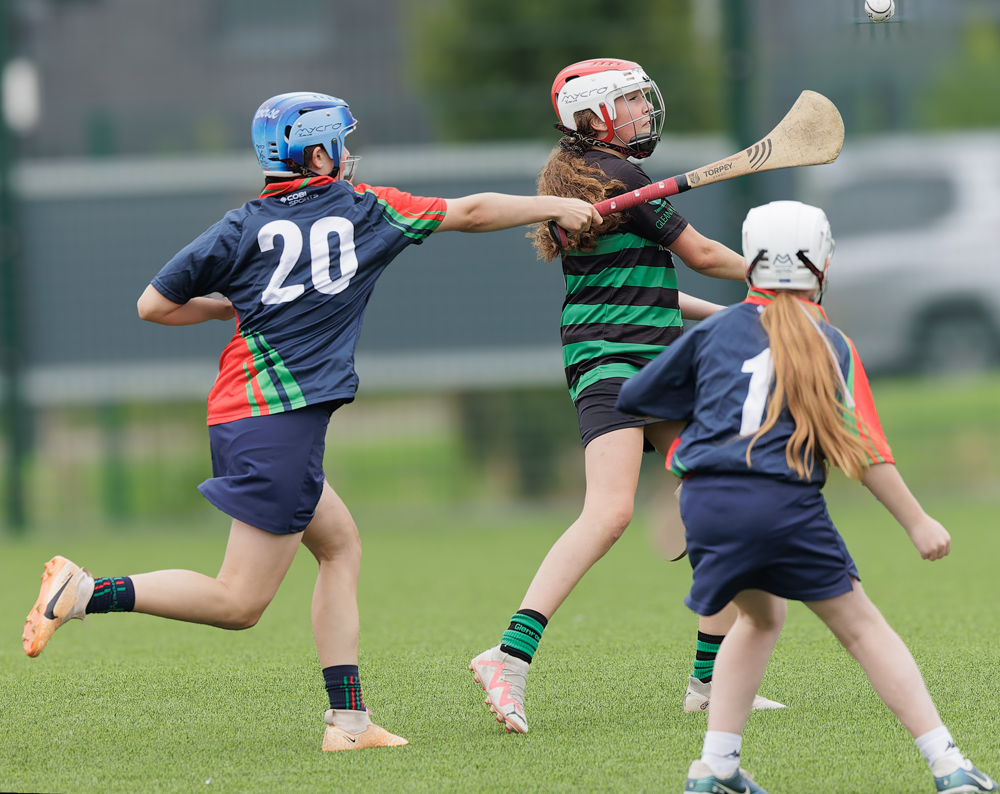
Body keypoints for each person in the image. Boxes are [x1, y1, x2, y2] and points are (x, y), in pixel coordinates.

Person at [22, 91, 599, 752]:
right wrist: (556, 206)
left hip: (242, 414)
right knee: (239, 602)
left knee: (340, 546)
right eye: (340, 144)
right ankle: (86, 592)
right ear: (318, 154)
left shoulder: (240, 225)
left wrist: (223, 308)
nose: (348, 155)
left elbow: (152, 305)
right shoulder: (364, 207)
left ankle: (349, 723)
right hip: (281, 425)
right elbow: (470, 212)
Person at [616, 200, 997, 794]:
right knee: (862, 628)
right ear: (822, 263)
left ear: (750, 263)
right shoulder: (829, 341)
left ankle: (715, 768)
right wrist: (918, 521)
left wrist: (697, 443)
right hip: (779, 503)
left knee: (759, 617)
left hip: (706, 505)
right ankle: (949, 765)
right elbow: (865, 451)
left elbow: (635, 396)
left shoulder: (714, 331)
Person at [469, 58, 783, 735]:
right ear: (594, 117)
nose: (644, 112)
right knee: (609, 512)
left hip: (652, 360)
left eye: (642, 100)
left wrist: (745, 310)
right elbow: (702, 254)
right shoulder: (616, 177)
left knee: (724, 492)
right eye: (631, 103)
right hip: (614, 362)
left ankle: (710, 681)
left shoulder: (590, 179)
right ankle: (508, 657)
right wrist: (782, 276)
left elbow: (646, 286)